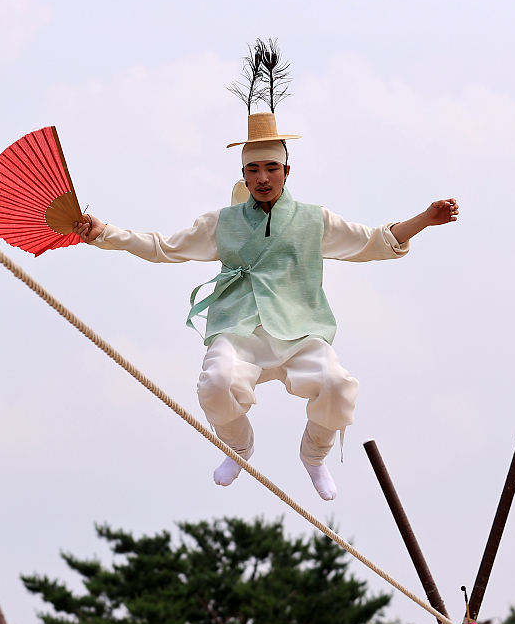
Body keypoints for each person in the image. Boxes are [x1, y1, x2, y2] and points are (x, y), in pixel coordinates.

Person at [71, 54, 457, 501]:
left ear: (287, 172)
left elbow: (374, 241)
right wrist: (104, 233)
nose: (262, 177)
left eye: (271, 168)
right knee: (216, 383)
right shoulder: (223, 221)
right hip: (239, 329)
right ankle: (238, 447)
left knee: (337, 385)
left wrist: (425, 219)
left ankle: (314, 455)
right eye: (253, 170)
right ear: (243, 175)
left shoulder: (314, 221)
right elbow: (163, 247)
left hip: (299, 329)